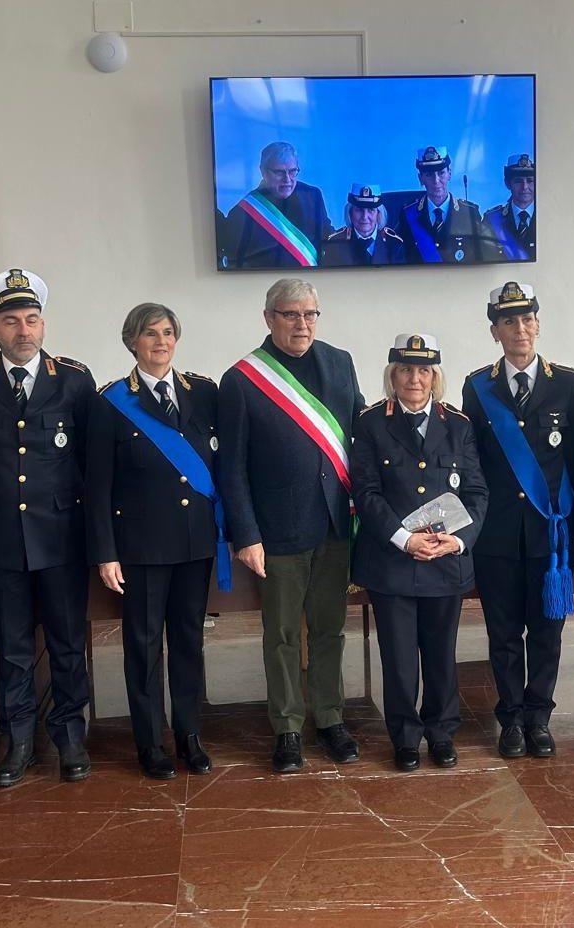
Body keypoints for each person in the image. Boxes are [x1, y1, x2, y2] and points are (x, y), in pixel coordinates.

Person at [0, 268, 96, 787]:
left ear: (43, 324)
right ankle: (17, 739)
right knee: (9, 645)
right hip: (0, 537)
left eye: (32, 319)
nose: (24, 330)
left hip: (61, 535)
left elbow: (89, 463)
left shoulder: (74, 379)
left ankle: (70, 735)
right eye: (11, 321)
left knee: (66, 641)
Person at [218, 278, 364, 773]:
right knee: (280, 635)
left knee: (329, 629)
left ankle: (330, 718)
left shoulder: (340, 362)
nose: (302, 324)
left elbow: (359, 436)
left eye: (309, 314)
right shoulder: (242, 380)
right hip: (277, 531)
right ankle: (286, 728)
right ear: (269, 318)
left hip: (335, 523)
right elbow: (232, 468)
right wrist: (246, 534)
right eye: (290, 314)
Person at [85, 303, 225, 780]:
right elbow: (97, 485)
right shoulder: (111, 402)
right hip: (141, 547)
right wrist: (105, 552)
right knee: (143, 647)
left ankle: (189, 734)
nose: (161, 341)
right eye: (150, 334)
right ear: (132, 342)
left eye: (167, 332)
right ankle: (149, 741)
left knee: (188, 641)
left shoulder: (202, 393)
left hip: (194, 542)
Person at [352, 335, 487, 771]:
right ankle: (406, 737)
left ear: (435, 377)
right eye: (406, 370)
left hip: (445, 561)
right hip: (392, 561)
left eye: (424, 370)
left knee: (441, 654)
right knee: (399, 658)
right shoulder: (371, 423)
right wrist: (403, 538)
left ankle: (442, 733)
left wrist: (458, 541)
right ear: (393, 375)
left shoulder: (459, 425)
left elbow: (476, 492)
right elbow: (366, 492)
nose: (415, 378)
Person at [461, 283, 574, 759]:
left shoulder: (568, 384)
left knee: (548, 634)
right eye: (508, 321)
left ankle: (539, 718)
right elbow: (470, 464)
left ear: (538, 323)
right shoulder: (477, 388)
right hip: (497, 536)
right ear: (495, 330)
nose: (520, 329)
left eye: (527, 318)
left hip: (550, 536)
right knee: (504, 634)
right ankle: (511, 717)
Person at [225, 141, 332, 268]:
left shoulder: (313, 196)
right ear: (263, 171)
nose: (287, 179)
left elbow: (327, 239)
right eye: (279, 172)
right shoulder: (242, 212)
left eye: (292, 171)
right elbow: (236, 263)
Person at [396, 146, 484, 264]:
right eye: (429, 175)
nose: (436, 181)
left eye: (441, 173)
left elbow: (480, 258)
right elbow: (402, 259)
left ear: (449, 174)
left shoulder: (470, 213)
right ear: (421, 179)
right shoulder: (408, 215)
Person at [319, 185, 406, 267]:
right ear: (350, 213)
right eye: (359, 210)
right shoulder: (334, 244)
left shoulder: (394, 244)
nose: (365, 217)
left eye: (371, 210)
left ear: (378, 214)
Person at [481, 154, 537, 261]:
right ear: (508, 184)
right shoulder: (491, 220)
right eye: (518, 181)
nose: (525, 187)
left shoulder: (547, 217)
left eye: (530, 181)